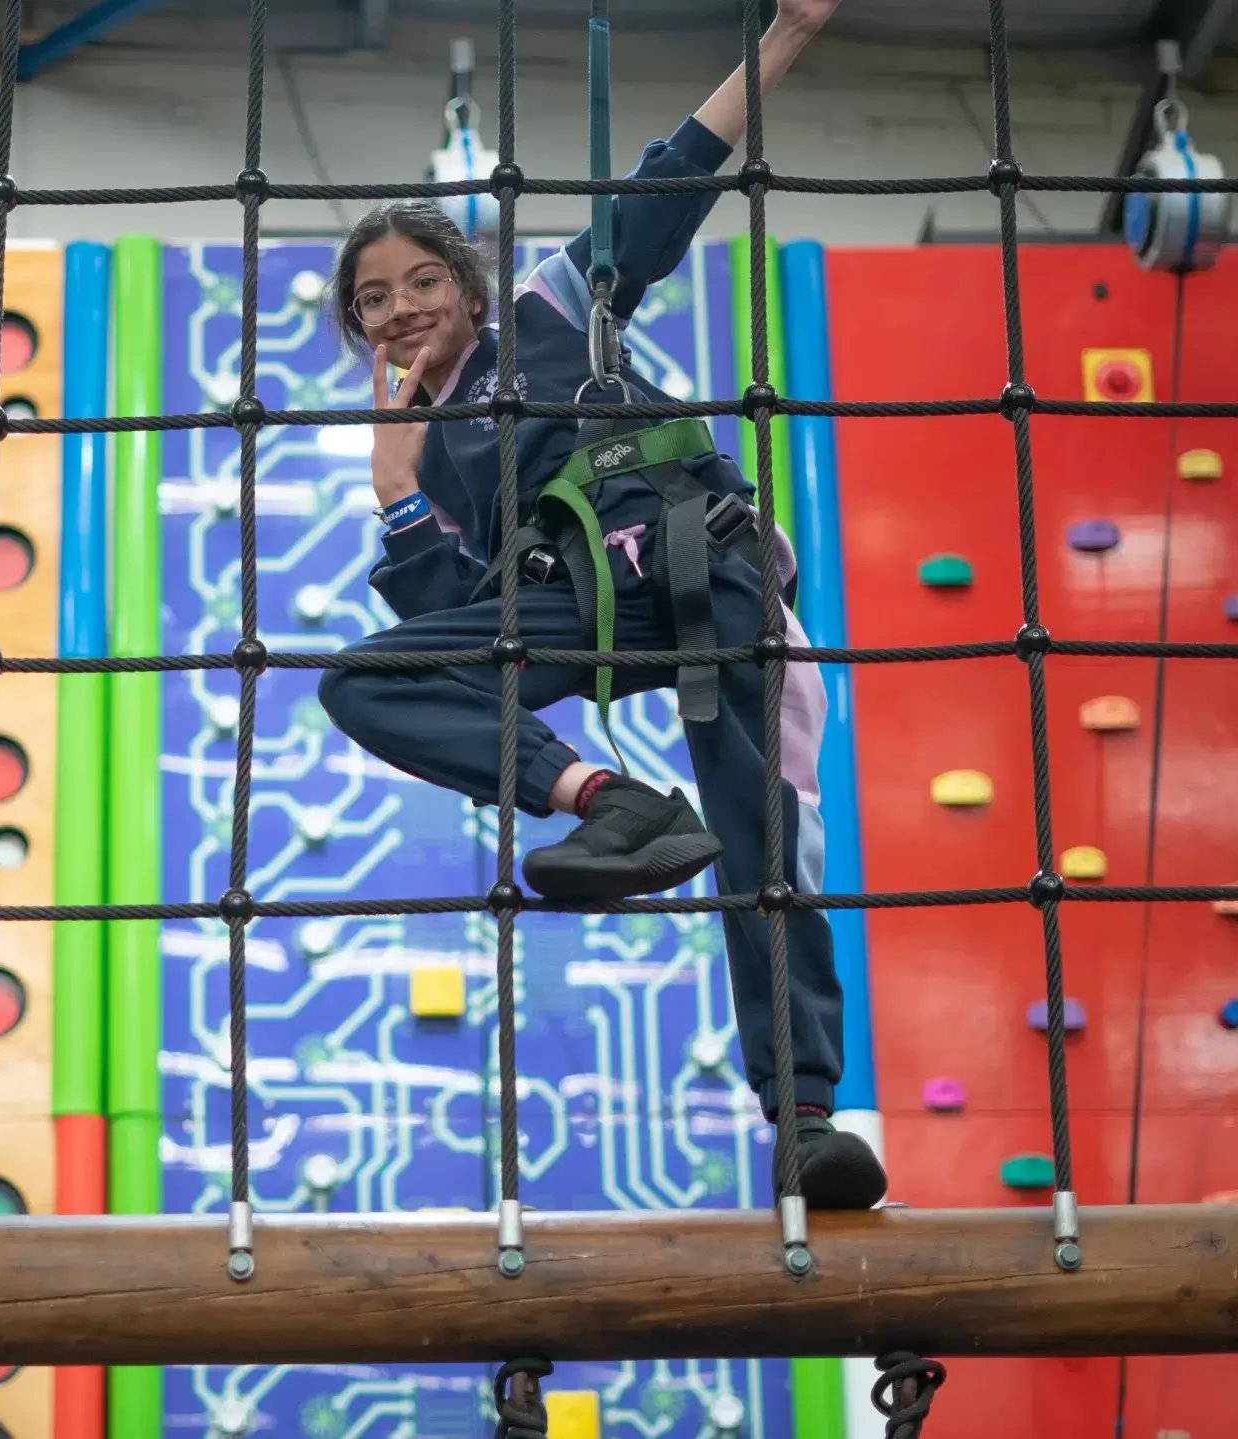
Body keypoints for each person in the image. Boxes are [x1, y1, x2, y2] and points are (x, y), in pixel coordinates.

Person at [314, 0, 886, 1208]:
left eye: (423, 278)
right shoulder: (424, 454)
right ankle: (613, 800)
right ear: (358, 327)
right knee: (365, 677)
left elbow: (666, 185)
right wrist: (395, 487)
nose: (402, 305)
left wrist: (781, 41)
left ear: (468, 288)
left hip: (693, 566)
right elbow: (445, 634)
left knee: (767, 847)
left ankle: (806, 1118)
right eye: (374, 297)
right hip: (577, 602)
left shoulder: (551, 311)